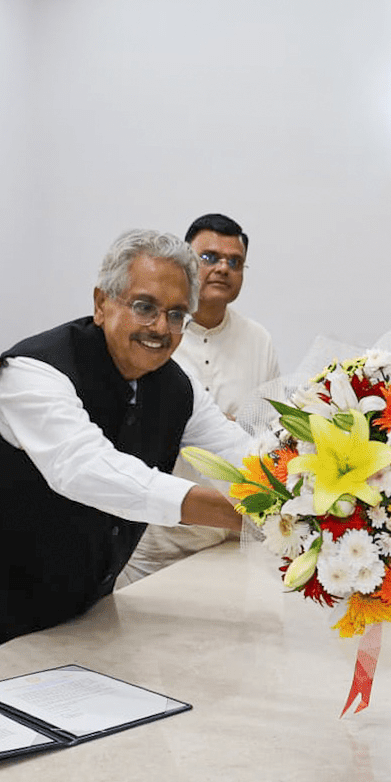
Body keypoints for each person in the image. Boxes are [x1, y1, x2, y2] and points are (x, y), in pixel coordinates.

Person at [0, 228, 251, 648]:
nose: (160, 327)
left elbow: (240, 452)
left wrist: (322, 486)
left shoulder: (178, 387)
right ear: (102, 303)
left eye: (177, 315)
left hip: (85, 613)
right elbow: (86, 470)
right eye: (144, 307)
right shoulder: (32, 371)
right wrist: (241, 516)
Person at [118, 213, 280, 585]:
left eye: (234, 262)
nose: (223, 268)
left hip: (229, 535)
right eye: (209, 258)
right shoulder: (154, 333)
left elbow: (268, 435)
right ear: (186, 263)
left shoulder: (259, 340)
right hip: (154, 536)